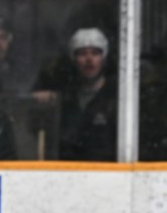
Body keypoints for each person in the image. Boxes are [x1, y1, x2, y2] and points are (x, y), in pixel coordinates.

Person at [47, 27, 117, 161]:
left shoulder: (116, 97)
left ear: (103, 58)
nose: (89, 59)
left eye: (95, 53)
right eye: (82, 53)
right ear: (74, 59)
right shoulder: (66, 98)